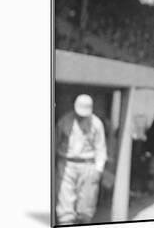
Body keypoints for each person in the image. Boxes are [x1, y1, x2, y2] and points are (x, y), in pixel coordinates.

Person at [55, 94, 107, 225]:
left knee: (87, 203)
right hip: (67, 163)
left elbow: (100, 147)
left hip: (88, 165)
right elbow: (55, 142)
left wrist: (99, 169)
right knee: (65, 200)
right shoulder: (64, 121)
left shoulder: (96, 124)